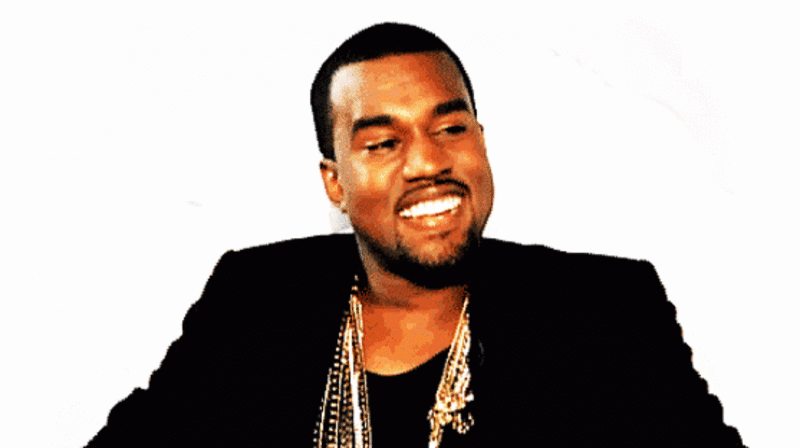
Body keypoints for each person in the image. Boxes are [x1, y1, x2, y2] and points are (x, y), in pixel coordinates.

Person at [85, 23, 746, 447]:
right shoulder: (256, 300)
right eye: (382, 142)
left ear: (481, 143)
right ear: (334, 182)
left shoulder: (603, 311)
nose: (428, 161)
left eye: (451, 128)